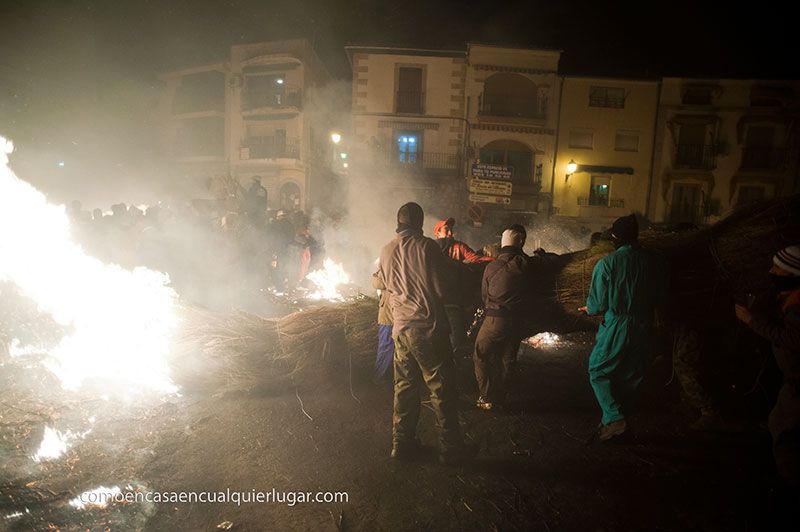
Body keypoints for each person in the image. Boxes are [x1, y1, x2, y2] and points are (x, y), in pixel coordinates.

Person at [379, 202, 465, 464]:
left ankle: (400, 445)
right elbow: (441, 288)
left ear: (398, 222)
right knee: (441, 388)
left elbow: (383, 284)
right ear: (419, 222)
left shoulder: (385, 250)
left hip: (400, 329)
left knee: (404, 387)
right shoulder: (427, 247)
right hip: (428, 328)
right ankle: (450, 448)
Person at [579, 214, 667, 441]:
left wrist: (587, 309)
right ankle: (620, 424)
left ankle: (615, 419)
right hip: (644, 324)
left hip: (618, 324)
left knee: (598, 370)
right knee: (631, 374)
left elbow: (597, 304)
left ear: (616, 238)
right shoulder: (655, 261)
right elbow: (662, 297)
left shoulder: (607, 264)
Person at [735, 244, 800, 488]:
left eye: (778, 269)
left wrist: (752, 320)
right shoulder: (789, 297)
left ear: (792, 274)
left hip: (797, 384)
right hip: (792, 382)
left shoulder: (797, 304)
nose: (772, 272)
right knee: (777, 421)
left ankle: (790, 486)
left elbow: (792, 339)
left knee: (785, 435)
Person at [473, 225, 532, 410]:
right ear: (520, 243)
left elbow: (484, 296)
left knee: (480, 354)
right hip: (516, 321)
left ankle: (487, 397)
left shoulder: (492, 266)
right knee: (508, 359)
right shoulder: (525, 264)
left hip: (494, 319)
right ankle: (502, 395)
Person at [372, 268, 394, 383]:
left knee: (385, 348)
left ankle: (379, 379)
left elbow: (378, 282)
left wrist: (375, 275)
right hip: (400, 316)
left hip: (389, 317)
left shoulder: (391, 261)